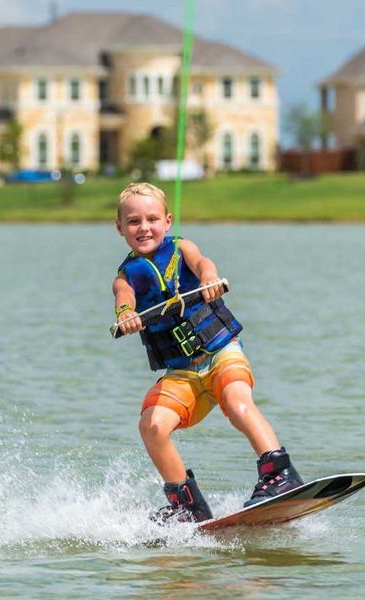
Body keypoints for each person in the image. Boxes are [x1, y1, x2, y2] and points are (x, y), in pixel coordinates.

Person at [112, 182, 303, 523]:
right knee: (152, 425)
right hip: (182, 374)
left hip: (220, 353)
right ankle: (186, 504)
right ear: (120, 228)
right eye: (134, 222)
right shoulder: (126, 276)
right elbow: (124, 298)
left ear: (167, 221)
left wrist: (210, 277)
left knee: (235, 401)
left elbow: (203, 263)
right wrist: (125, 315)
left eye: (152, 219)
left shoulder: (182, 247)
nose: (144, 228)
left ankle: (279, 473)